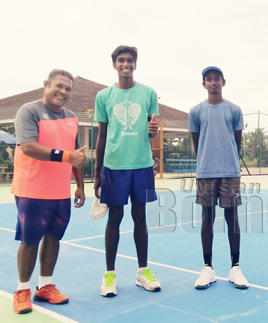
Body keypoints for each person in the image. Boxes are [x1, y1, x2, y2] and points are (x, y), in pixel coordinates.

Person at [11, 69, 87, 314]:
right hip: (32, 188)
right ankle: (22, 290)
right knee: (30, 239)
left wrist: (80, 186)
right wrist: (67, 156)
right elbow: (29, 147)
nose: (63, 92)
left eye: (68, 89)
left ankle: (45, 286)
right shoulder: (29, 111)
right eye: (59, 86)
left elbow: (76, 156)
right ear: (46, 85)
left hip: (60, 192)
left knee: (54, 237)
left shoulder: (72, 117)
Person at [94, 45, 161, 297]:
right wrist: (98, 173)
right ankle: (109, 276)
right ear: (114, 65)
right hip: (114, 166)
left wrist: (153, 133)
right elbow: (101, 135)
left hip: (142, 165)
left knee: (141, 217)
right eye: (121, 60)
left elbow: (152, 129)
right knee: (114, 218)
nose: (126, 64)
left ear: (135, 64)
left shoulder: (149, 93)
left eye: (130, 60)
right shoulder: (104, 96)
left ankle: (143, 272)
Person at [189, 66, 248, 290]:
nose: (213, 82)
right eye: (209, 79)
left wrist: (227, 160)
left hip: (229, 171)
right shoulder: (196, 111)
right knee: (207, 218)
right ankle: (208, 268)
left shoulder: (234, 110)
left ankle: (235, 268)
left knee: (232, 218)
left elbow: (237, 142)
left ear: (224, 82)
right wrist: (208, 159)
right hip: (206, 172)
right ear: (204, 84)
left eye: (217, 79)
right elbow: (196, 142)